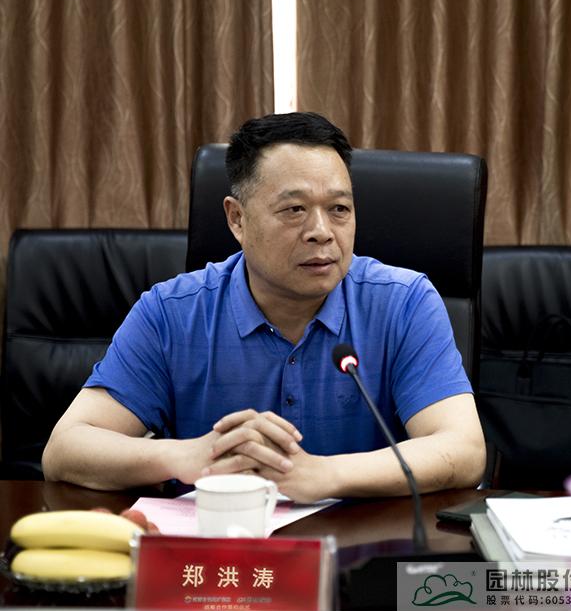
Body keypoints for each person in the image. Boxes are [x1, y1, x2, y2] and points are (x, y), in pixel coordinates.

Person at [42, 112, 486, 501]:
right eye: (294, 210)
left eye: (339, 209)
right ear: (237, 219)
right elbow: (65, 450)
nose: (321, 231)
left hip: (362, 552)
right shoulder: (171, 312)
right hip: (219, 551)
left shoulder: (404, 303)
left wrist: (326, 475)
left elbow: (463, 450)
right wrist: (191, 455)